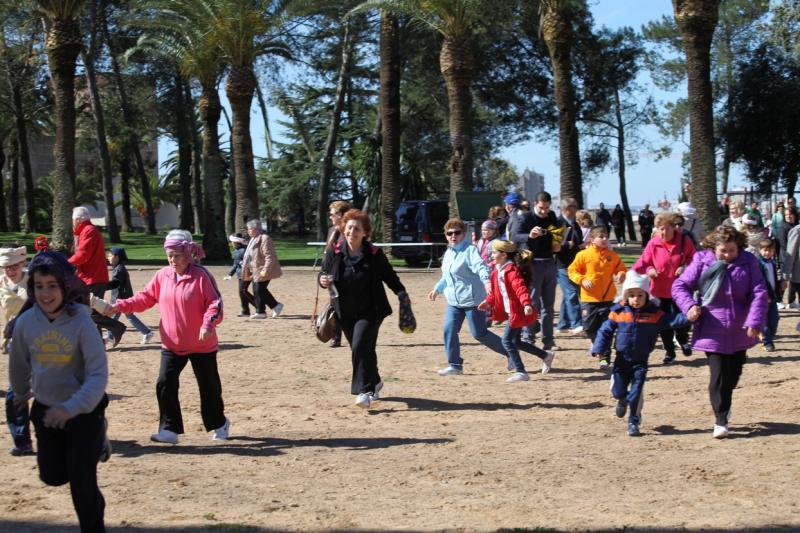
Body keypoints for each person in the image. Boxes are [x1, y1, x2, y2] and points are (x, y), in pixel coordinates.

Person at [9, 251, 109, 532]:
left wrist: (71, 408)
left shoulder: (81, 322)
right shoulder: (27, 322)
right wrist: (19, 392)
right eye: (39, 286)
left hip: (84, 412)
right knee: (53, 476)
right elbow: (18, 363)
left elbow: (98, 374)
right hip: (46, 409)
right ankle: (94, 447)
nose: (45, 293)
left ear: (65, 286)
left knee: (81, 482)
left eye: (52, 285)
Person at [108, 230, 229, 444]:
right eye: (169, 255)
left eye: (177, 255)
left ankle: (219, 423)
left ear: (188, 254)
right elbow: (144, 298)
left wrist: (208, 323)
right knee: (164, 383)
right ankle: (169, 429)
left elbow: (215, 303)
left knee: (208, 386)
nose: (172, 260)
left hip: (202, 344)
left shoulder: (201, 276)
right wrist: (118, 305)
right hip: (172, 344)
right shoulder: (162, 275)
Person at [672, 225, 767, 439]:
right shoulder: (701, 260)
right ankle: (720, 419)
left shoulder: (748, 261)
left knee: (734, 373)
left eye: (731, 251)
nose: (727, 255)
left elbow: (759, 292)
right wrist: (689, 307)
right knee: (718, 375)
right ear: (714, 247)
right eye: (723, 251)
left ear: (738, 247)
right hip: (711, 327)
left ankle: (725, 402)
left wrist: (754, 321)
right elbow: (680, 286)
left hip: (740, 328)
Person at [319, 210, 409, 408]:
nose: (352, 231)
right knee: (362, 350)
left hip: (371, 311)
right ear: (344, 229)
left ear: (365, 232)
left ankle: (363, 391)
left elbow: (390, 276)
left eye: (357, 228)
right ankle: (375, 381)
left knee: (360, 346)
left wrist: (401, 293)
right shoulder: (334, 252)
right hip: (345, 312)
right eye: (349, 227)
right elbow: (323, 274)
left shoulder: (374, 254)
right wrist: (323, 279)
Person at [592, 272, 689, 436]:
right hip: (621, 360)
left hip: (641, 362)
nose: (635, 299)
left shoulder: (654, 314)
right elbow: (605, 331)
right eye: (631, 295)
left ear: (647, 295)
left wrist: (691, 316)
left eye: (639, 295)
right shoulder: (618, 312)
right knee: (618, 392)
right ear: (626, 296)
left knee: (636, 393)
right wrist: (599, 348)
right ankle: (622, 399)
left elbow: (674, 321)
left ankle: (633, 422)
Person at [428, 218, 511, 375]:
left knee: (479, 333)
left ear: (463, 234)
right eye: (449, 233)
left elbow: (481, 267)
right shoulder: (448, 253)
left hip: (473, 301)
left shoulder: (470, 250)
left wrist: (487, 282)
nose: (453, 236)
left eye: (457, 232)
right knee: (449, 329)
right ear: (446, 235)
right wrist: (437, 289)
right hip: (454, 301)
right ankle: (455, 365)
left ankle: (510, 353)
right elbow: (447, 275)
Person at [478, 240, 556, 381]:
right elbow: (495, 292)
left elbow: (521, 289)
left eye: (494, 252)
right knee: (517, 342)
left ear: (503, 255)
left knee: (506, 341)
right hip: (511, 311)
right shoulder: (497, 270)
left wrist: (526, 304)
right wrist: (488, 301)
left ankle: (521, 371)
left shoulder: (511, 271)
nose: (491, 254)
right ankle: (545, 355)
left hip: (518, 311)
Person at [631, 212, 696, 364]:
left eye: (667, 228)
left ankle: (682, 338)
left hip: (680, 289)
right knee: (663, 323)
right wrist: (649, 271)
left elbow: (694, 258)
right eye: (660, 228)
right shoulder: (653, 243)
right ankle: (670, 352)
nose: (663, 232)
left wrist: (684, 267)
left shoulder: (684, 240)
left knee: (685, 317)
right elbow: (643, 263)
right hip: (659, 290)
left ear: (674, 228)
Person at [511, 191, 565, 350]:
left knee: (548, 306)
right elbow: (515, 236)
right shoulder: (526, 217)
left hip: (549, 263)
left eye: (547, 208)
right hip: (532, 263)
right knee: (532, 303)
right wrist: (530, 235)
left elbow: (556, 234)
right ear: (535, 204)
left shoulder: (552, 216)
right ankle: (529, 337)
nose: (544, 211)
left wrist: (558, 241)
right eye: (542, 208)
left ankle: (548, 340)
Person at [568, 225, 627, 369]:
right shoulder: (583, 255)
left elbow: (621, 268)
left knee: (607, 329)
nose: (605, 239)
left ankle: (604, 358)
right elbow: (572, 271)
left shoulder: (612, 255)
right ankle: (597, 344)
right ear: (592, 239)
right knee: (588, 328)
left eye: (606, 236)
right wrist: (582, 279)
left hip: (608, 299)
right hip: (589, 299)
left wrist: (621, 274)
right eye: (601, 236)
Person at [69, 207, 126, 346]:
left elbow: (83, 255)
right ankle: (99, 342)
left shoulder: (88, 231)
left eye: (73, 220)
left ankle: (117, 328)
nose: (72, 223)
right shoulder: (87, 231)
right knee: (92, 310)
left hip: (93, 278)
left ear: (77, 220)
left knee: (90, 311)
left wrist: (66, 263)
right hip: (92, 277)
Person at [1, 245, 34, 455]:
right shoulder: (1, 284)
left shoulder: (33, 280)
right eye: (5, 267)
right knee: (15, 393)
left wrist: (106, 307)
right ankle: (22, 441)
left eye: (13, 266)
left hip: (43, 340)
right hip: (16, 343)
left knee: (57, 387)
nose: (10, 270)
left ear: (22, 263)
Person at [106, 247, 154, 345]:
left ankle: (110, 337)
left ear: (117, 257)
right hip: (124, 298)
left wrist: (114, 302)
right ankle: (147, 332)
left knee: (112, 318)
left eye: (110, 255)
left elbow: (116, 287)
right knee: (129, 317)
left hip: (121, 300)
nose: (108, 257)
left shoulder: (119, 270)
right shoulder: (119, 268)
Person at [242, 219, 284, 320]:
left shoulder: (265, 238)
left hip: (263, 269)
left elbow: (270, 256)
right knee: (259, 290)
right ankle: (264, 310)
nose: (248, 231)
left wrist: (266, 269)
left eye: (249, 229)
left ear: (256, 229)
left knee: (259, 289)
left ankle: (269, 308)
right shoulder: (253, 239)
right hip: (255, 270)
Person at [325, 201, 351, 347]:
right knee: (335, 305)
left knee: (347, 305)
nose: (330, 217)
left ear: (340, 215)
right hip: (332, 275)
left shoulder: (349, 230)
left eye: (332, 214)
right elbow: (327, 254)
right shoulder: (331, 231)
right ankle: (336, 336)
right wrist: (324, 272)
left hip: (346, 274)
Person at [555, 198, 583, 334]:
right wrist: (567, 245)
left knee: (568, 294)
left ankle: (562, 324)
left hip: (575, 263)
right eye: (575, 207)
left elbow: (579, 240)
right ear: (567, 209)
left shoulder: (575, 223)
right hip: (562, 264)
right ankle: (576, 323)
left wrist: (580, 245)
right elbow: (554, 244)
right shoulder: (558, 223)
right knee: (571, 293)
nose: (577, 209)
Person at [755, 239, 780, 352]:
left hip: (773, 298)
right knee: (764, 323)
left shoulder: (772, 263)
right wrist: (765, 295)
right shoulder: (758, 264)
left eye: (770, 251)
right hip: (762, 298)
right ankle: (767, 343)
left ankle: (768, 336)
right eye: (765, 250)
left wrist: (779, 288)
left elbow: (773, 280)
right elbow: (761, 281)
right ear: (760, 250)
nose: (767, 253)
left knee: (774, 320)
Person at [223, 233, 252, 317]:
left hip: (245, 274)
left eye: (232, 242)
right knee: (242, 292)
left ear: (236, 242)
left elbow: (246, 263)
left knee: (243, 291)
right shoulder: (237, 251)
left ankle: (257, 307)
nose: (231, 243)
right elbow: (235, 264)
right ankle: (245, 311)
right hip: (241, 274)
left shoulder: (243, 251)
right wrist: (230, 274)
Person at [776, 208, 797, 307]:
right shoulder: (783, 228)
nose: (788, 216)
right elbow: (783, 245)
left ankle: (791, 301)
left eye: (790, 214)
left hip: (794, 258)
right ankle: (779, 300)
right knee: (783, 279)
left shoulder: (795, 226)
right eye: (786, 215)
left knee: (794, 280)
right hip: (785, 257)